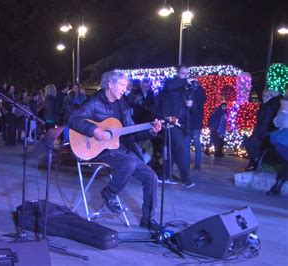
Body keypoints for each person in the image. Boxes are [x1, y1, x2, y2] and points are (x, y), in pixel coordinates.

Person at [69, 70, 162, 230]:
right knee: (130, 161)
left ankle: (148, 220)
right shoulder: (95, 102)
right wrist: (94, 131)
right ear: (110, 84)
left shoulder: (123, 105)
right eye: (122, 84)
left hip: (120, 150)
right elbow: (73, 119)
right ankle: (110, 192)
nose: (124, 89)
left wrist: (151, 131)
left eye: (126, 85)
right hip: (98, 150)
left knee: (151, 177)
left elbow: (132, 131)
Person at [155, 64, 196, 188]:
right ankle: (186, 179)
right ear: (177, 74)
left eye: (187, 74)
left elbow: (193, 108)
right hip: (170, 123)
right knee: (180, 151)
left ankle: (165, 176)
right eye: (183, 73)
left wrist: (191, 104)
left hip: (182, 125)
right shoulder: (171, 84)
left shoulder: (186, 89)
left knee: (171, 151)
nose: (186, 76)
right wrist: (185, 81)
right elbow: (169, 86)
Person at [243, 89, 282, 171]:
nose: (264, 97)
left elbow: (279, 98)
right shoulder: (263, 105)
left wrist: (276, 93)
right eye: (263, 96)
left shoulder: (272, 104)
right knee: (251, 144)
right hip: (259, 129)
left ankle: (255, 163)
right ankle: (253, 163)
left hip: (265, 130)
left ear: (271, 97)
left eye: (267, 96)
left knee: (253, 145)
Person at [266, 96, 288, 195]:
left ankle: (278, 185)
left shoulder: (280, 114)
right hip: (283, 145)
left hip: (279, 146)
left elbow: (276, 123)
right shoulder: (283, 115)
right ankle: (278, 185)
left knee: (286, 165)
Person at [184, 78, 206, 170]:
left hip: (195, 122)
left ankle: (196, 164)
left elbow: (198, 106)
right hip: (190, 122)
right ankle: (188, 164)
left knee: (195, 144)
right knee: (187, 143)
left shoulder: (199, 92)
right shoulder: (190, 90)